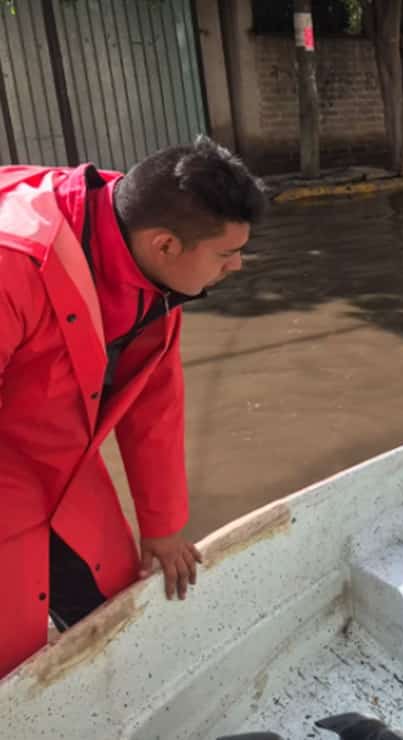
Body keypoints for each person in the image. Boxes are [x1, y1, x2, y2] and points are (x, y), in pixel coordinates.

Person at [0, 136, 267, 678]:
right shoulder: (15, 266)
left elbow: (153, 399)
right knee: (14, 653)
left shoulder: (135, 232)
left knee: (118, 595)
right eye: (225, 254)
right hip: (12, 459)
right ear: (167, 245)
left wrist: (163, 523)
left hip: (56, 447)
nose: (237, 266)